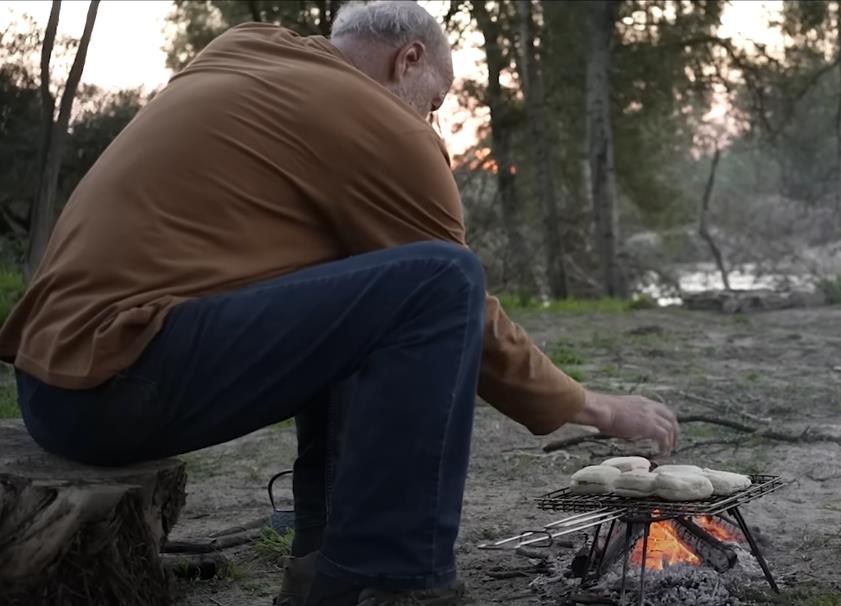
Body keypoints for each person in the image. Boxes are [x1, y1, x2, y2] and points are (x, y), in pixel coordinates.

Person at [0, 2, 678, 605]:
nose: (430, 118)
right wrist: (592, 407)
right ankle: (393, 581)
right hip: (121, 381)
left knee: (365, 287)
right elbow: (463, 308)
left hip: (50, 384)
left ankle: (322, 568)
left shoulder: (244, 52)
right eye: (433, 100)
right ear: (407, 58)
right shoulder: (384, 125)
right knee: (440, 280)